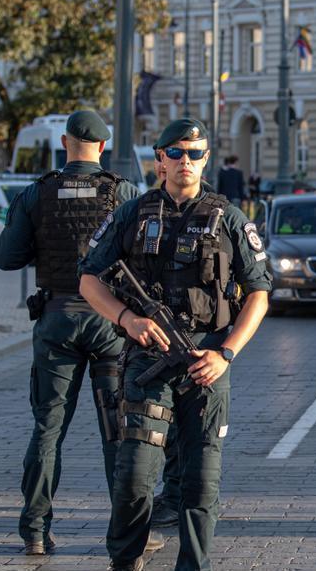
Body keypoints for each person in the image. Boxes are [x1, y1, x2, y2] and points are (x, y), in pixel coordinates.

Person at [79, 118, 271, 571]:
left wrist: (226, 354)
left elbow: (259, 294)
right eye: (177, 153)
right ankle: (124, 562)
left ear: (206, 159)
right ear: (159, 160)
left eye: (196, 153)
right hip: (148, 362)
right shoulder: (133, 213)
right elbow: (89, 280)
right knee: (133, 478)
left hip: (206, 364)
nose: (187, 161)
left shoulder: (230, 218)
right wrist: (128, 319)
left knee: (201, 485)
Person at [0, 110, 152, 556]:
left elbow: (7, 257)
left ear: (64, 143)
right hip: (109, 323)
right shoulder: (123, 193)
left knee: (48, 428)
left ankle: (35, 532)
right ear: (102, 147)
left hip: (57, 319)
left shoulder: (37, 193)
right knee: (118, 432)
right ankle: (128, 534)